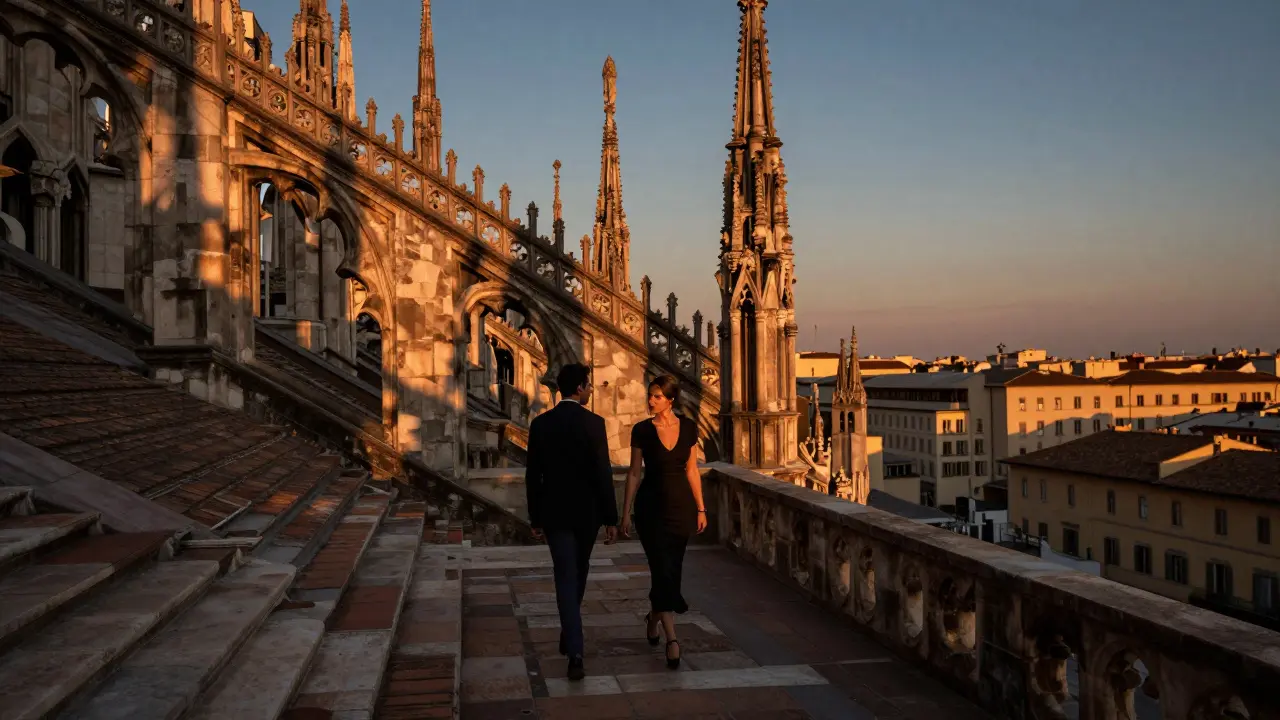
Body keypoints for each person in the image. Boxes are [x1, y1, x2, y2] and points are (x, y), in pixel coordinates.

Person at [524, 362, 619, 681]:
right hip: (587, 515)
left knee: (568, 574)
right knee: (576, 572)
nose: (591, 390)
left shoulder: (540, 424)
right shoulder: (594, 423)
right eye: (589, 385)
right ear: (578, 388)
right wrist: (610, 518)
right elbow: (603, 473)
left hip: (554, 513)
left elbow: (532, 476)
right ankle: (575, 650)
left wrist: (535, 516)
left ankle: (571, 631)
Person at [620, 375, 707, 670]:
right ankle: (672, 639)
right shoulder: (642, 430)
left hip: (681, 507)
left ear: (670, 400)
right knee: (660, 567)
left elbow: (692, 470)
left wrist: (701, 508)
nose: (650, 401)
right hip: (650, 509)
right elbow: (633, 473)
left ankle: (654, 616)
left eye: (656, 396)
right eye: (649, 395)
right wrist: (625, 512)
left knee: (672, 569)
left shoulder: (689, 427)